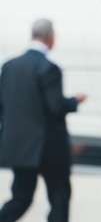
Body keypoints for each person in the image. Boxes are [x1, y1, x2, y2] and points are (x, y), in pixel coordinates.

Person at [0, 19, 87, 222]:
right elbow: (56, 107)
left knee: (20, 198)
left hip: (20, 146)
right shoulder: (49, 68)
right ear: (50, 36)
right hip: (49, 148)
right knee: (59, 198)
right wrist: (75, 101)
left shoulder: (9, 66)